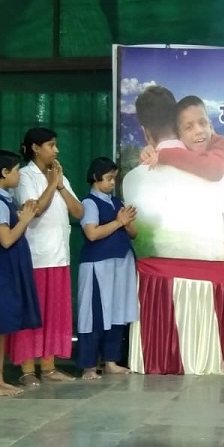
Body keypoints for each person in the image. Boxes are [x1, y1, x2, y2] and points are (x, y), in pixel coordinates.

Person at [121, 85, 224, 261]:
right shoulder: (223, 169)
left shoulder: (131, 180)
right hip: (212, 272)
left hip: (159, 275)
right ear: (178, 126)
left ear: (145, 133)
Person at [10, 127, 82, 387]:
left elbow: (79, 211)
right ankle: (28, 369)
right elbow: (35, 209)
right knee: (33, 312)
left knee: (54, 313)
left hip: (59, 256)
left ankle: (49, 367)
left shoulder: (58, 176)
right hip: (36, 256)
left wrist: (60, 185)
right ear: (35, 148)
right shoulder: (24, 176)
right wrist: (52, 184)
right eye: (51, 145)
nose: (56, 150)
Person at [0, 150, 42, 396]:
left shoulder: (5, 198)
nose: (19, 175)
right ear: (4, 173)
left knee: (3, 325)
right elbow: (5, 239)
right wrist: (24, 220)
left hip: (8, 267)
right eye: (16, 170)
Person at [78, 158, 139, 379]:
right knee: (95, 314)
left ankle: (111, 361)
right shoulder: (89, 203)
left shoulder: (116, 202)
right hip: (99, 265)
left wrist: (127, 222)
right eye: (109, 178)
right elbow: (92, 233)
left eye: (115, 178)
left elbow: (134, 234)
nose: (113, 182)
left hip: (121, 263)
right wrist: (119, 222)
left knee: (117, 312)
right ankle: (88, 366)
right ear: (96, 177)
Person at [139, 95, 224, 183]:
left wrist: (163, 155)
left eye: (203, 123)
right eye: (189, 127)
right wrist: (149, 153)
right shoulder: (183, 147)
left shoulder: (219, 143)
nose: (199, 131)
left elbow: (215, 169)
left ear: (210, 126)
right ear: (179, 135)